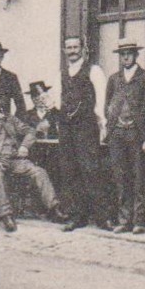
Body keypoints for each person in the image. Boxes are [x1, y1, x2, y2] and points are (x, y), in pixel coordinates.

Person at [0, 84, 61, 233]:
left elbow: (30, 130)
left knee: (38, 171)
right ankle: (6, 215)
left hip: (13, 159)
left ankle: (54, 208)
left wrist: (24, 146)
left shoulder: (10, 118)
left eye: (5, 99)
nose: (3, 102)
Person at [52, 36, 111, 230]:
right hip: (67, 128)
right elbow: (58, 101)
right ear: (64, 50)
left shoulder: (93, 71)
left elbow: (101, 100)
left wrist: (102, 123)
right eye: (68, 48)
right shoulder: (62, 73)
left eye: (76, 47)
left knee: (91, 170)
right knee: (71, 172)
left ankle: (103, 218)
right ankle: (78, 216)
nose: (72, 51)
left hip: (86, 127)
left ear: (83, 49)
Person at [104, 38, 145, 233]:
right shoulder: (114, 79)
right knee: (120, 175)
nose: (126, 57)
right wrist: (109, 127)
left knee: (139, 175)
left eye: (129, 54)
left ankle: (139, 220)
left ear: (136, 55)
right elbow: (107, 105)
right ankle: (124, 219)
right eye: (123, 54)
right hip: (117, 132)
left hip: (136, 132)